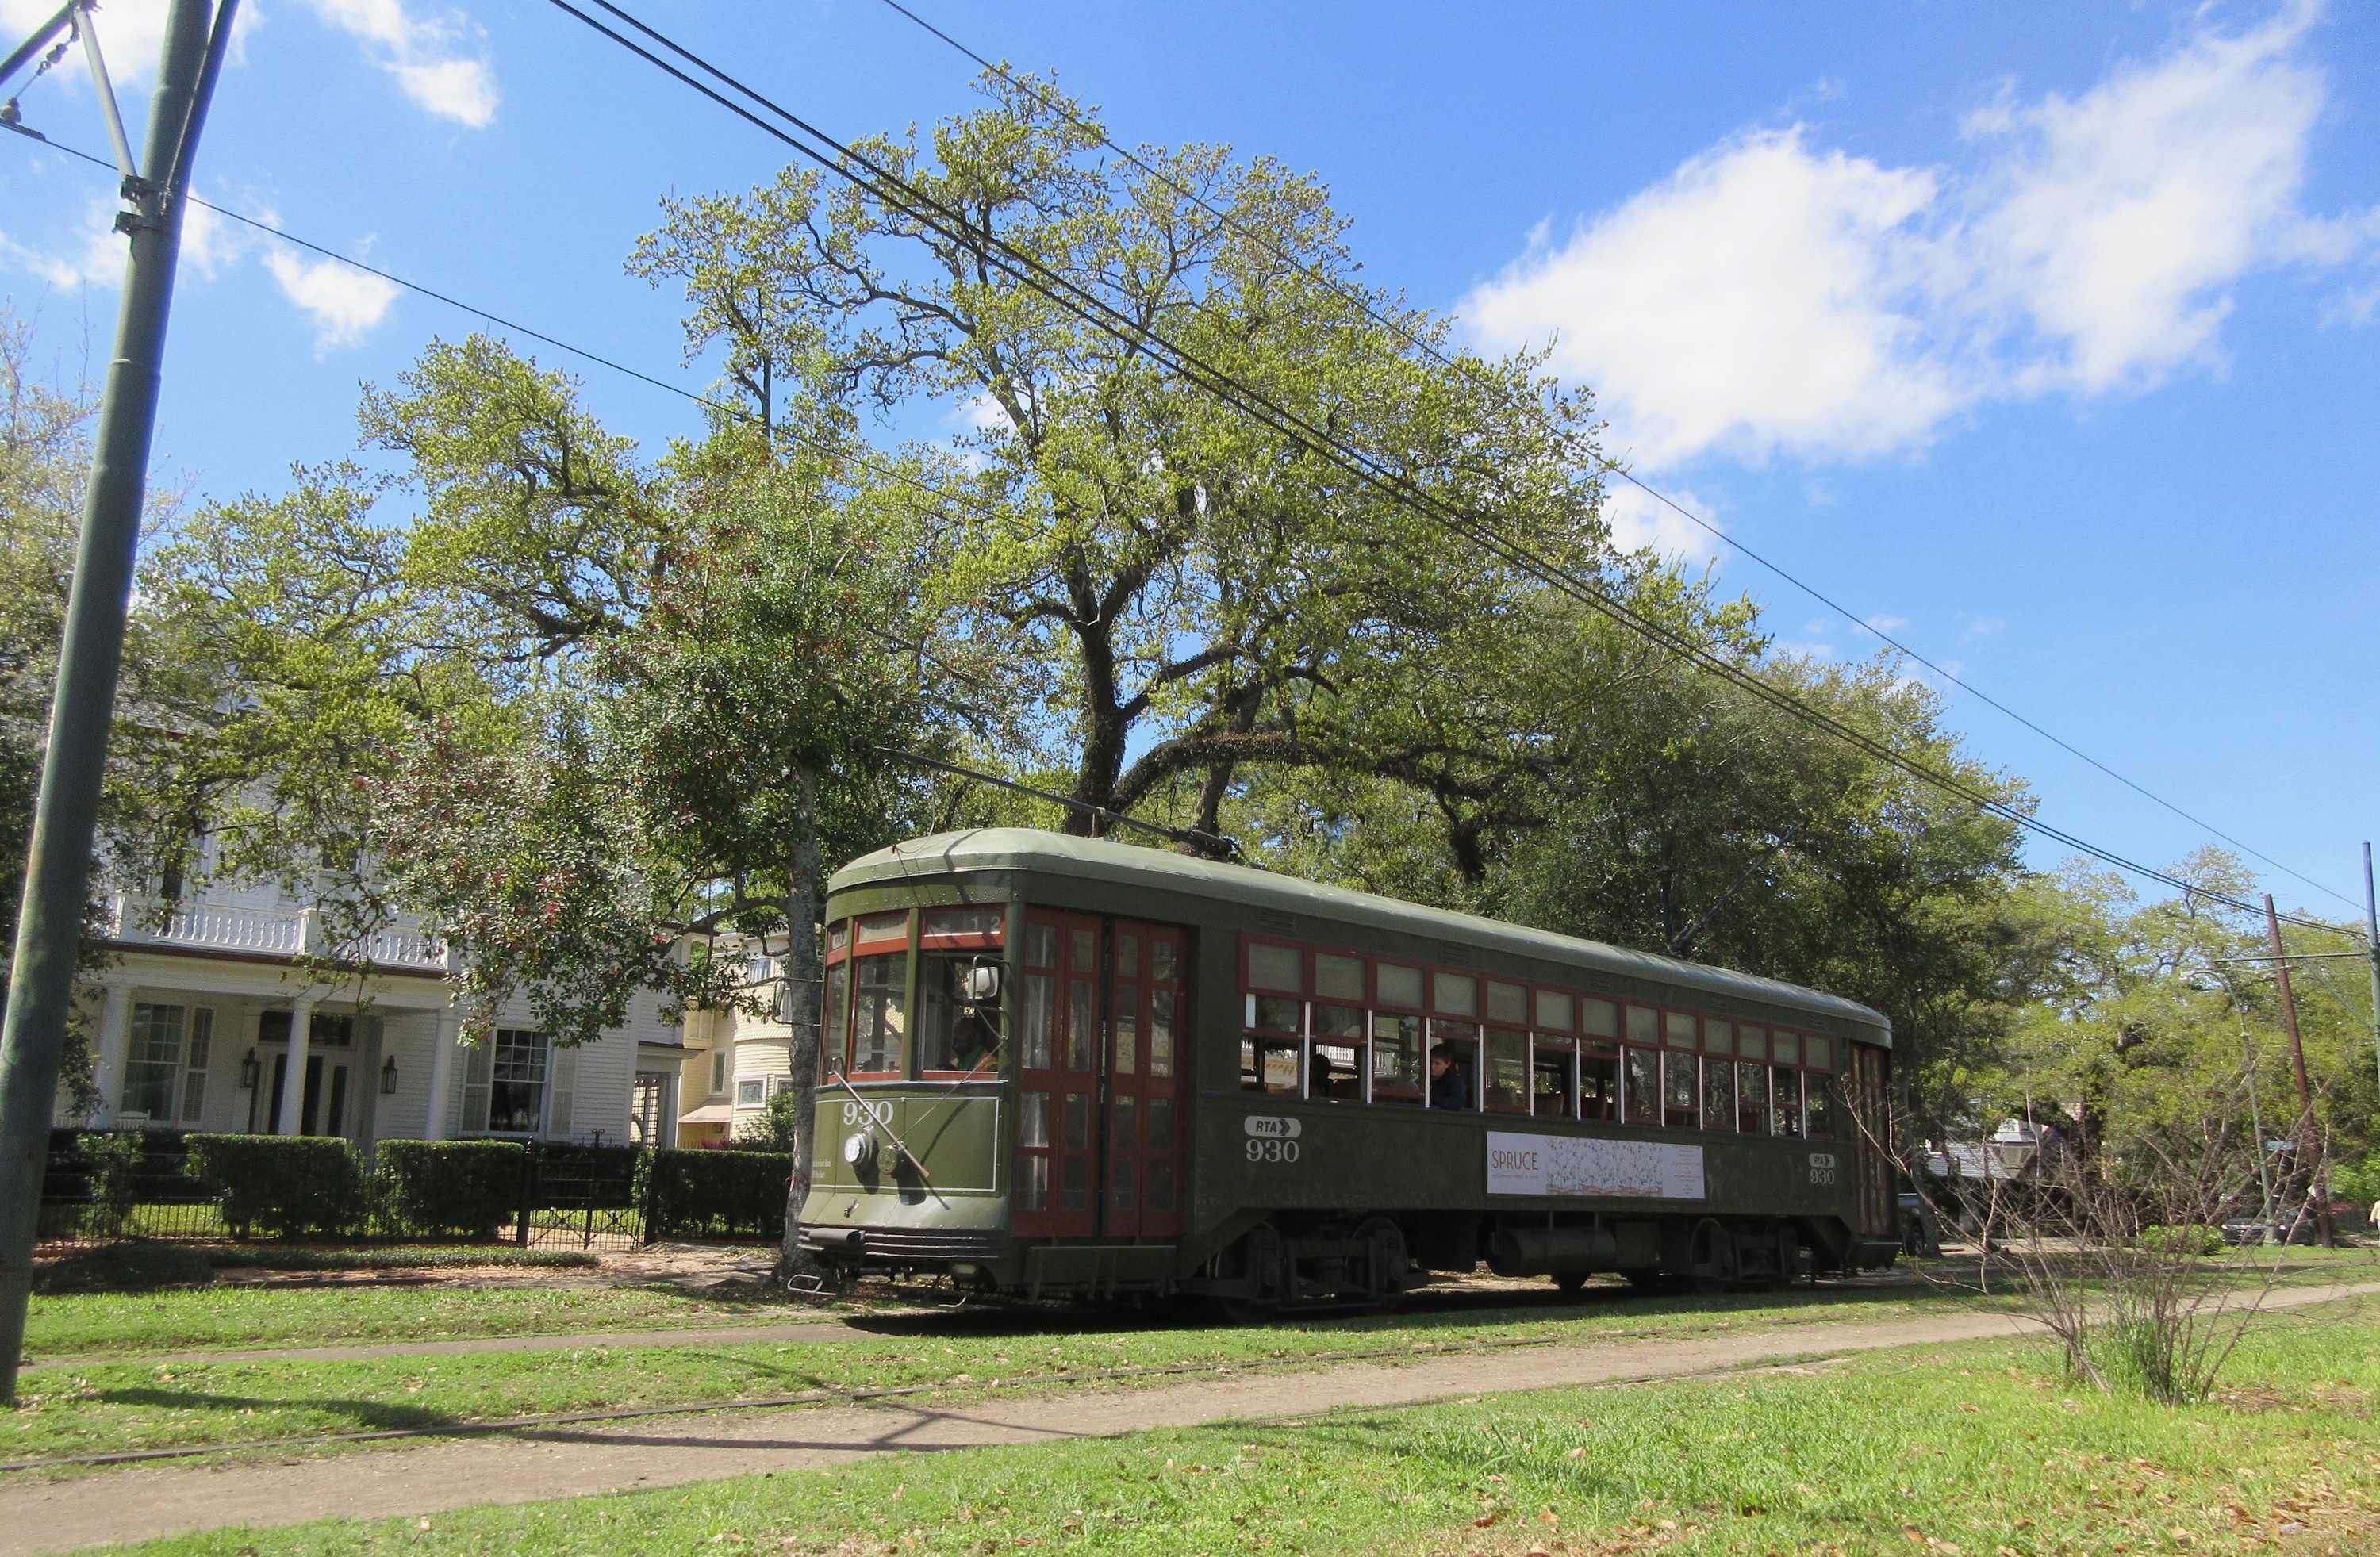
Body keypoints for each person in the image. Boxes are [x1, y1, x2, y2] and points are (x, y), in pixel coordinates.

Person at [1429, 1046, 1471, 1111]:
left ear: (1448, 1064)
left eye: (1437, 1064)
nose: (1432, 1067)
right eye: (1430, 1062)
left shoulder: (1454, 1081)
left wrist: (1431, 1099)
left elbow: (1457, 1103)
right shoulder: (1424, 1077)